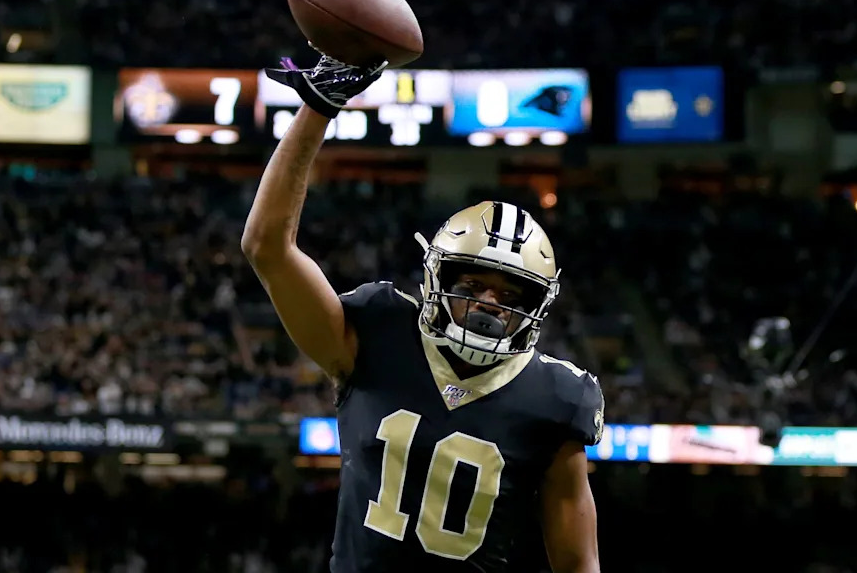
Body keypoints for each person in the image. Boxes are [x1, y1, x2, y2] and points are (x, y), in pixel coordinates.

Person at [243, 48, 605, 573]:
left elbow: (579, 565)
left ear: (537, 306)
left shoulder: (556, 397)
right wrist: (318, 107)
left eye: (510, 297)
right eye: (472, 285)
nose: (487, 305)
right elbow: (267, 248)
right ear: (437, 279)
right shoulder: (379, 332)